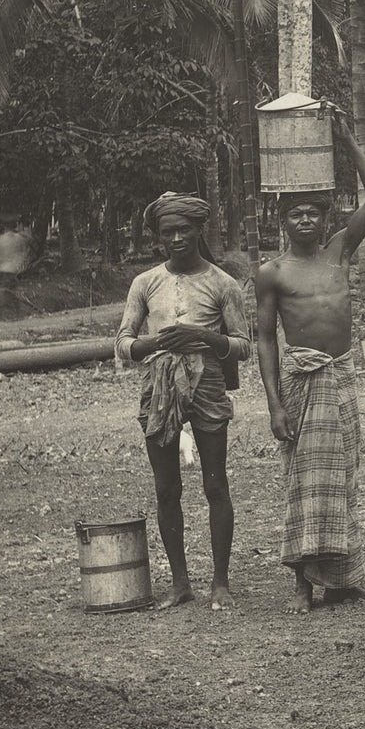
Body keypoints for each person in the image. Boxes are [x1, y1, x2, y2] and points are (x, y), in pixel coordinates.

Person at [254, 110, 365, 614]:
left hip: (341, 375)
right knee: (303, 479)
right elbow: (266, 339)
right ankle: (302, 584)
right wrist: (273, 406)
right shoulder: (272, 273)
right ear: (283, 221)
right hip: (301, 381)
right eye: (296, 214)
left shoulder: (340, 252)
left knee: (343, 477)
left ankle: (342, 580)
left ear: (325, 218)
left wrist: (348, 141)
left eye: (313, 212)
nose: (306, 219)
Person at [116, 192, 251, 610]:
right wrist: (154, 343)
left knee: (215, 483)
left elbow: (243, 345)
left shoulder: (222, 283)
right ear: (158, 236)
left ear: (199, 230)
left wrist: (203, 338)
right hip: (159, 386)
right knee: (166, 488)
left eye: (184, 229)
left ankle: (221, 583)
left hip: (207, 383)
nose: (176, 238)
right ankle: (179, 583)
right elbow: (122, 344)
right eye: (167, 231)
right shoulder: (145, 283)